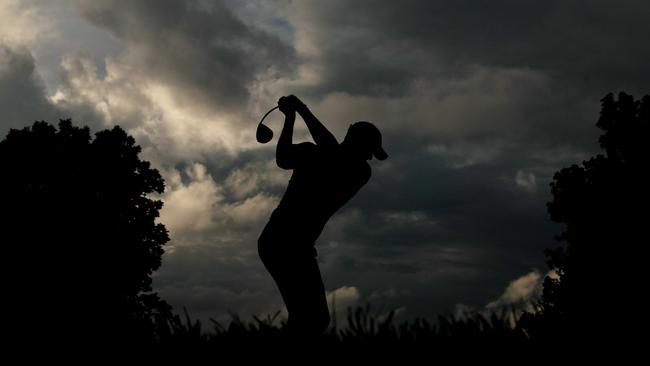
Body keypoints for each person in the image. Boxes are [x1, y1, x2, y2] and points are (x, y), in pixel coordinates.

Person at [258, 95, 388, 337]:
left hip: (286, 244)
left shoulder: (359, 171)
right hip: (282, 242)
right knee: (313, 318)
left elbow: (331, 153)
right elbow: (283, 158)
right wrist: (291, 117)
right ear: (357, 144)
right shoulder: (322, 155)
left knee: (312, 318)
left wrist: (300, 111)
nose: (370, 158)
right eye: (369, 151)